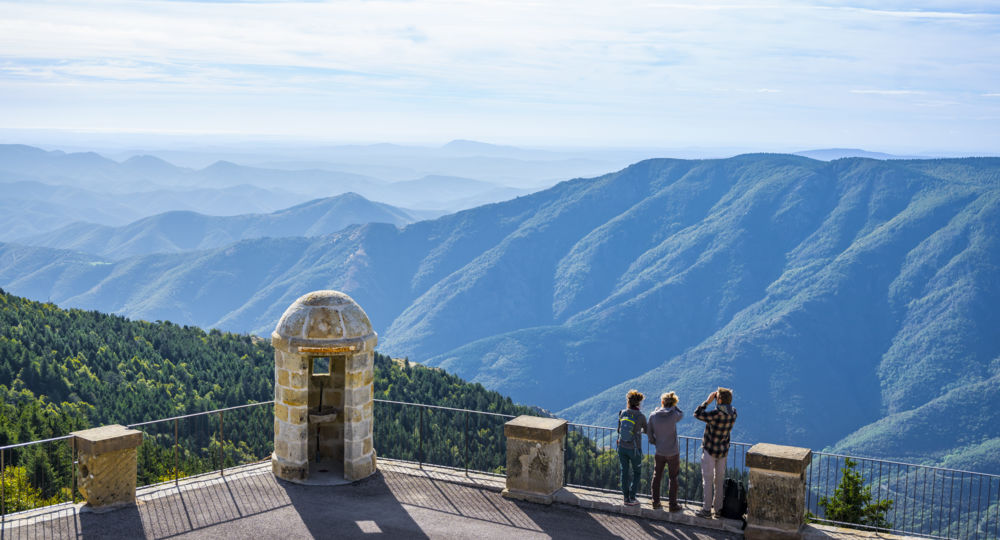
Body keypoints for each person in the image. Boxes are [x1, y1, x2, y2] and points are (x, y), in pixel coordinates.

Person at [694, 387, 737, 518]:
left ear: (719, 399)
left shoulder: (715, 414)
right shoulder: (733, 413)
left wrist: (707, 402)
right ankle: (718, 509)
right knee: (719, 480)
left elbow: (697, 414)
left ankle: (707, 509)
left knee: (707, 480)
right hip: (723, 451)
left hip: (710, 450)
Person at [646, 391, 683, 511]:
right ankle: (673, 505)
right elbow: (681, 413)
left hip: (660, 451)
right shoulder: (674, 415)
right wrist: (674, 406)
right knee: (673, 478)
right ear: (673, 403)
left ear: (662, 402)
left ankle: (655, 502)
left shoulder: (653, 415)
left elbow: (649, 433)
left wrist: (655, 442)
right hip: (673, 452)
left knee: (657, 476)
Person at [617, 389, 647, 506]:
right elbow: (647, 430)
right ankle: (632, 497)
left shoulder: (622, 413)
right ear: (639, 403)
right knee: (637, 472)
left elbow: (619, 430)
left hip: (621, 447)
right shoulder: (640, 416)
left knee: (624, 471)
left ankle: (625, 498)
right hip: (634, 449)